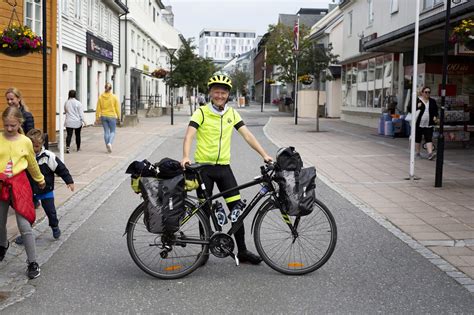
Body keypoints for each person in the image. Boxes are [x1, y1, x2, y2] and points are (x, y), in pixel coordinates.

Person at [180, 73, 273, 265]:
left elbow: (247, 135)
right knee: (204, 211)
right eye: (216, 92)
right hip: (203, 170)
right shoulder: (202, 112)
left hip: (224, 169)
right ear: (211, 93)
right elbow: (189, 135)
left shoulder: (232, 114)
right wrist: (186, 156)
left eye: (223, 92)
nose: (219, 95)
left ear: (227, 94)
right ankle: (204, 252)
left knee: (236, 209)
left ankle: (243, 251)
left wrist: (264, 154)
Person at [0, 106, 45, 279]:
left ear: (20, 122)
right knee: (0, 221)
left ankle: (32, 261)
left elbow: (32, 163)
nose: (9, 129)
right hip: (1, 183)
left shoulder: (25, 141)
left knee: (24, 225)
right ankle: (3, 245)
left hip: (20, 185)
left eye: (12, 125)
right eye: (6, 125)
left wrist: (40, 179)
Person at [15, 128, 74, 245]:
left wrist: (69, 181)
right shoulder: (24, 156)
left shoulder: (48, 156)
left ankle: (55, 226)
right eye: (31, 146)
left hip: (46, 190)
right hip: (30, 191)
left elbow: (61, 168)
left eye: (36, 146)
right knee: (27, 214)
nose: (33, 149)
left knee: (51, 211)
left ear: (41, 144)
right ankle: (25, 234)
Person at [409, 86, 439, 160]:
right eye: (426, 92)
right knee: (417, 138)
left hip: (428, 123)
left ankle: (430, 154)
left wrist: (435, 116)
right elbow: (409, 109)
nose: (427, 94)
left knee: (429, 138)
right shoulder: (417, 100)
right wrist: (417, 106)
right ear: (422, 93)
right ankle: (417, 153)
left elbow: (435, 110)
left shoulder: (432, 101)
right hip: (418, 123)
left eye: (429, 92)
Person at [96, 83, 120, 153]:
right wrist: (119, 116)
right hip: (112, 116)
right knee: (112, 131)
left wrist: (97, 117)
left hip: (103, 116)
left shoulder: (101, 97)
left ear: (105, 88)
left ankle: (107, 146)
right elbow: (117, 108)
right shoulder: (114, 97)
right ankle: (109, 143)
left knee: (106, 131)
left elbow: (98, 108)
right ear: (111, 89)